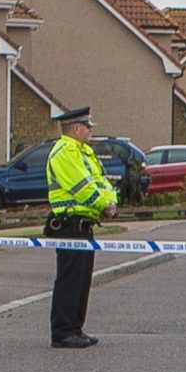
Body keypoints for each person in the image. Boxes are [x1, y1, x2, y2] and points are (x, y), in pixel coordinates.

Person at [43, 103, 118, 348]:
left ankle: (75, 328)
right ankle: (63, 331)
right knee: (70, 279)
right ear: (76, 128)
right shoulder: (65, 152)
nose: (90, 131)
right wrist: (103, 206)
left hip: (84, 223)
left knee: (82, 279)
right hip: (69, 223)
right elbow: (82, 187)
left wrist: (111, 202)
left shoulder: (84, 152)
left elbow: (101, 181)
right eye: (87, 127)